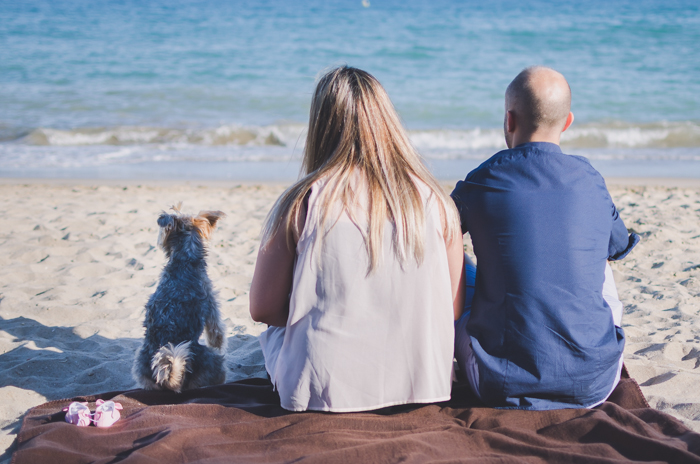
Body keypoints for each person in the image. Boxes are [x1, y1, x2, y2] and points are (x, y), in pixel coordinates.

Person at [249, 66, 465, 412]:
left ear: (320, 126)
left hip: (321, 393)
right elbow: (451, 308)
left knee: (276, 335)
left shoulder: (304, 201)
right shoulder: (437, 202)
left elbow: (263, 309)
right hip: (422, 386)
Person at [451, 66, 640, 410]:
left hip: (499, 383)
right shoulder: (590, 178)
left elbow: (437, 235)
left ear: (509, 120)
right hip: (596, 383)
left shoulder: (483, 179)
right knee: (597, 259)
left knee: (456, 260)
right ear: (567, 122)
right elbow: (617, 247)